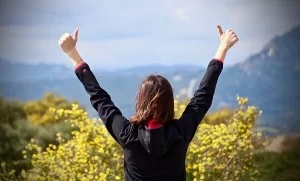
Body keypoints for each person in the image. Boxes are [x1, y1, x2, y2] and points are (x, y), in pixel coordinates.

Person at [58, 25, 238, 181]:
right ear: (169, 102)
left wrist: (72, 53)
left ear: (140, 101)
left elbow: (99, 97)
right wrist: (223, 48)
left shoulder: (127, 134)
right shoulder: (180, 133)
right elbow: (203, 96)